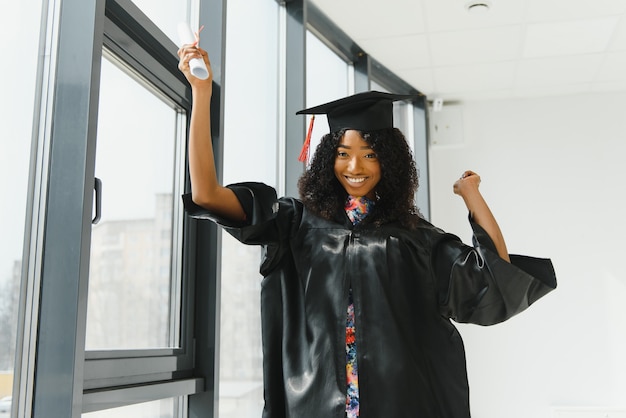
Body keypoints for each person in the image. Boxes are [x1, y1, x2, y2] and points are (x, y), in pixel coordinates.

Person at [178, 44, 557, 418]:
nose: (354, 165)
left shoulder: (416, 238)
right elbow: (207, 195)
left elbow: (493, 281)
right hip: (313, 405)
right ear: (328, 158)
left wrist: (471, 194)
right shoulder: (294, 223)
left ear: (389, 161)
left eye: (370, 154)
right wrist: (202, 91)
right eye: (343, 153)